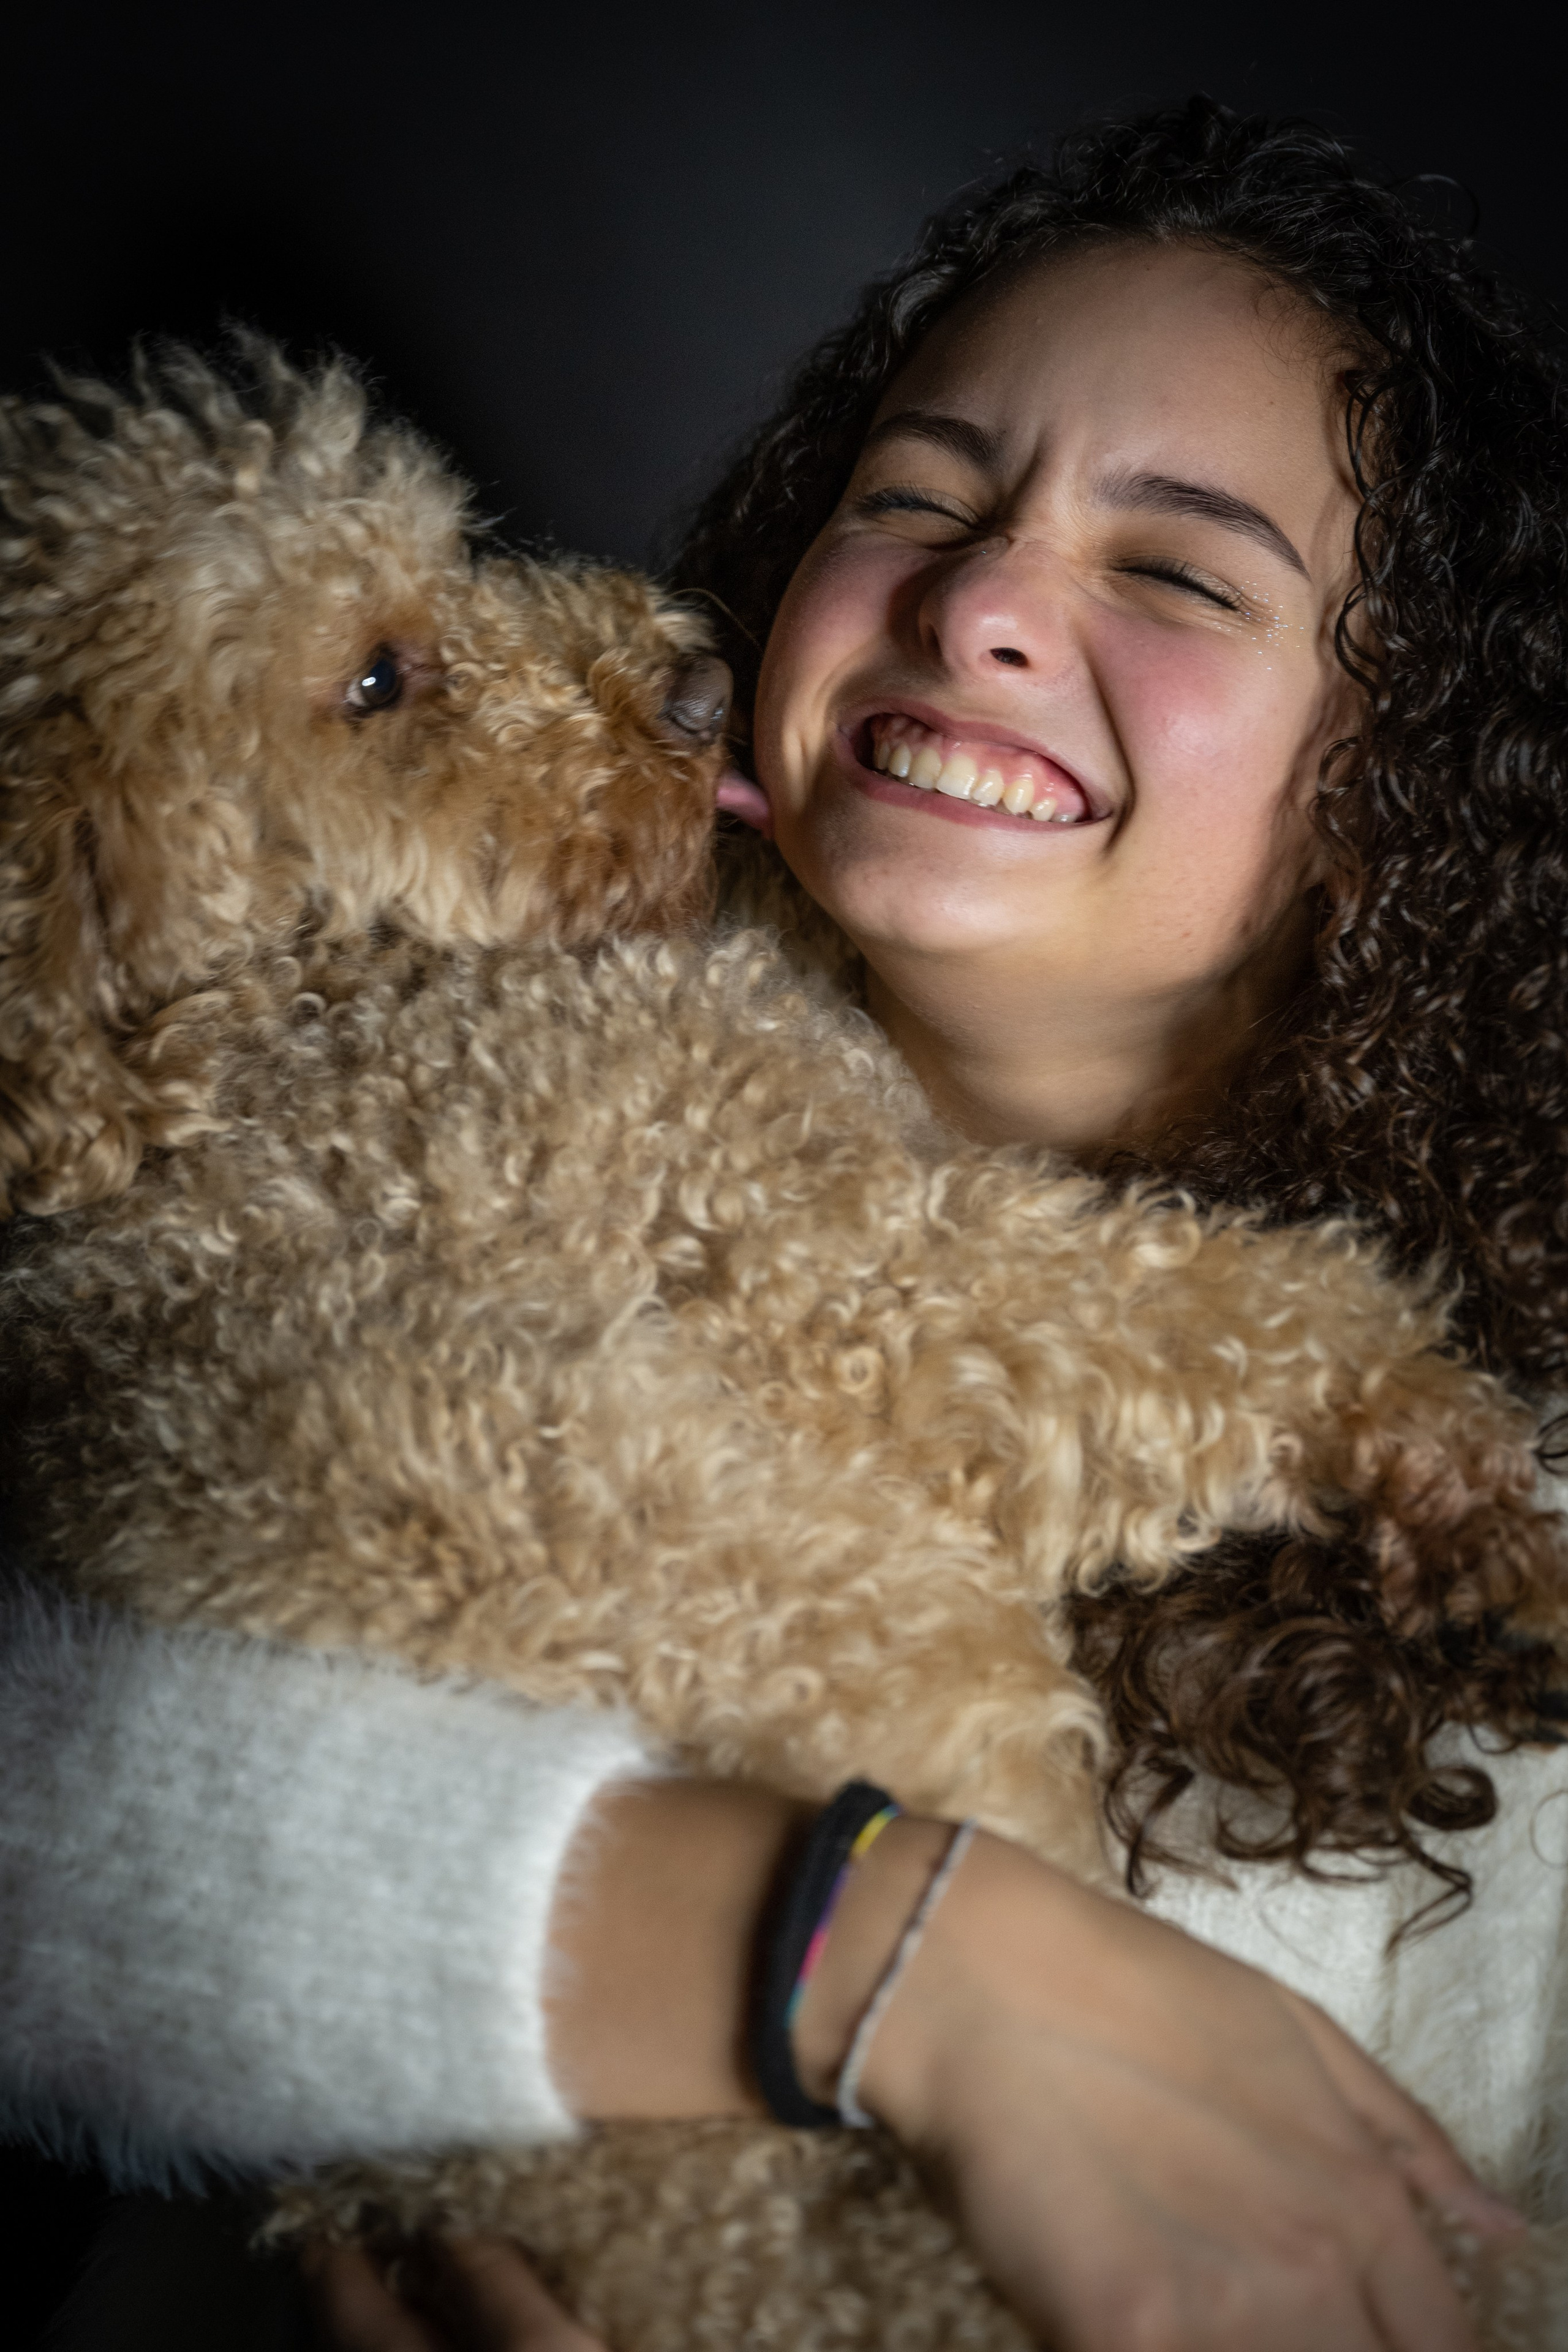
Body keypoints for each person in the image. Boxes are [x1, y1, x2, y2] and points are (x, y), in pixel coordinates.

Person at [6, 97, 1566, 2352]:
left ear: (1395, 778)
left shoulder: (1520, 1527)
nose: (985, 600)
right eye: (919, 495)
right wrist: (892, 1959)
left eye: (1178, 570)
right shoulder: (352, 1081)